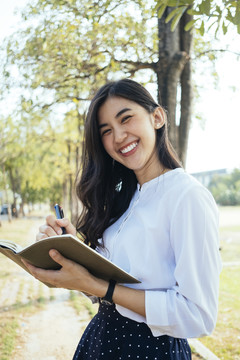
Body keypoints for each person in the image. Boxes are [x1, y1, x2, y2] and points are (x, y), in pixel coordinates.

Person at [22, 79, 222, 360]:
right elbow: (108, 291)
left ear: (157, 117)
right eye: (106, 131)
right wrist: (72, 252)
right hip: (101, 341)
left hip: (150, 351)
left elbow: (197, 315)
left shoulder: (187, 196)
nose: (118, 137)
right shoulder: (124, 197)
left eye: (126, 118)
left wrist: (100, 287)